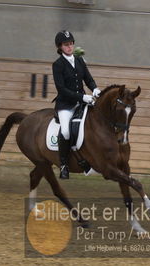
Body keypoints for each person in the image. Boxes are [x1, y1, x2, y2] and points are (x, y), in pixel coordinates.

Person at [52, 30, 101, 179]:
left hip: (82, 102)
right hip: (66, 104)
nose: (69, 47)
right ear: (60, 47)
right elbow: (62, 89)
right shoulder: (57, 65)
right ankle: (64, 165)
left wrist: (95, 89)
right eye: (66, 45)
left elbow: (88, 79)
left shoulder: (79, 60)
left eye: (71, 44)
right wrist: (82, 97)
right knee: (66, 132)